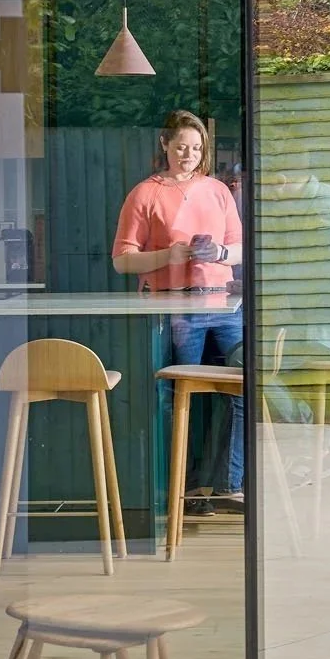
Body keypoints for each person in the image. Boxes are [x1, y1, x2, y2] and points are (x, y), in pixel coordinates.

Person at [112, 110, 245, 510]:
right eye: (182, 146)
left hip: (223, 304)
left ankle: (227, 484)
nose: (189, 154)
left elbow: (240, 248)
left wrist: (220, 252)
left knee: (243, 386)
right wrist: (166, 255)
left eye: (197, 148)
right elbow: (121, 260)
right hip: (175, 307)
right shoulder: (145, 193)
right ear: (165, 145)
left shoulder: (218, 191)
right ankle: (178, 489)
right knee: (176, 399)